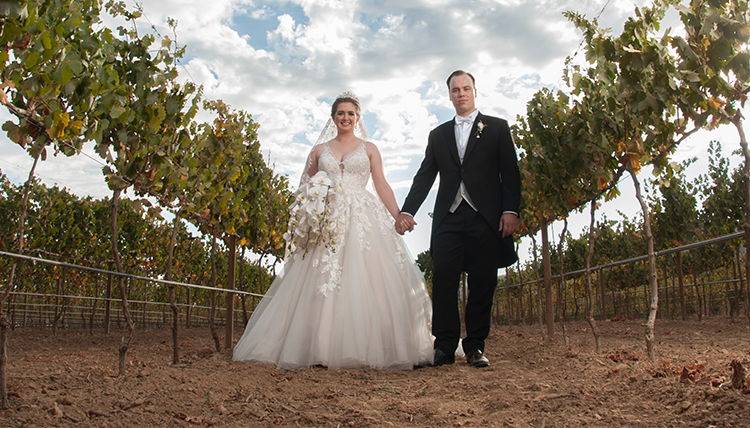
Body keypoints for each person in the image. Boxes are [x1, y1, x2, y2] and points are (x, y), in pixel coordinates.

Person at [233, 92, 433, 370]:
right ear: (333, 118)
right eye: (341, 113)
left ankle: (374, 346)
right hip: (327, 218)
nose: (346, 118)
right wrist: (308, 216)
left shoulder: (370, 148)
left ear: (358, 118)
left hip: (363, 216)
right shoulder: (319, 151)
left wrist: (398, 215)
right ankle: (320, 347)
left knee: (367, 277)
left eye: (351, 113)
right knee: (320, 279)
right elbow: (306, 188)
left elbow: (382, 185)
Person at [396, 70, 521, 368]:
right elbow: (425, 176)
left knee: (482, 282)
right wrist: (407, 210)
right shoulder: (438, 135)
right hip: (448, 218)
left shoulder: (498, 128)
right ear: (449, 95)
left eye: (466, 88)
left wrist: (510, 210)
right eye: (455, 90)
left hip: (486, 217)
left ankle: (476, 346)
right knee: (444, 279)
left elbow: (510, 174)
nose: (461, 94)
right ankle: (445, 346)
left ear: (475, 91)